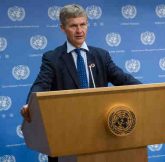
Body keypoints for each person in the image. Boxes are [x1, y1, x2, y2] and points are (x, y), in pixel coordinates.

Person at [20, 4, 141, 162]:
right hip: (66, 134)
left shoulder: (101, 56)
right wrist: (30, 104)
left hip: (101, 132)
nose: (79, 30)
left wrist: (146, 91)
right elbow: (41, 84)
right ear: (63, 28)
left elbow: (123, 79)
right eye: (73, 26)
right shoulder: (52, 58)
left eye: (83, 24)